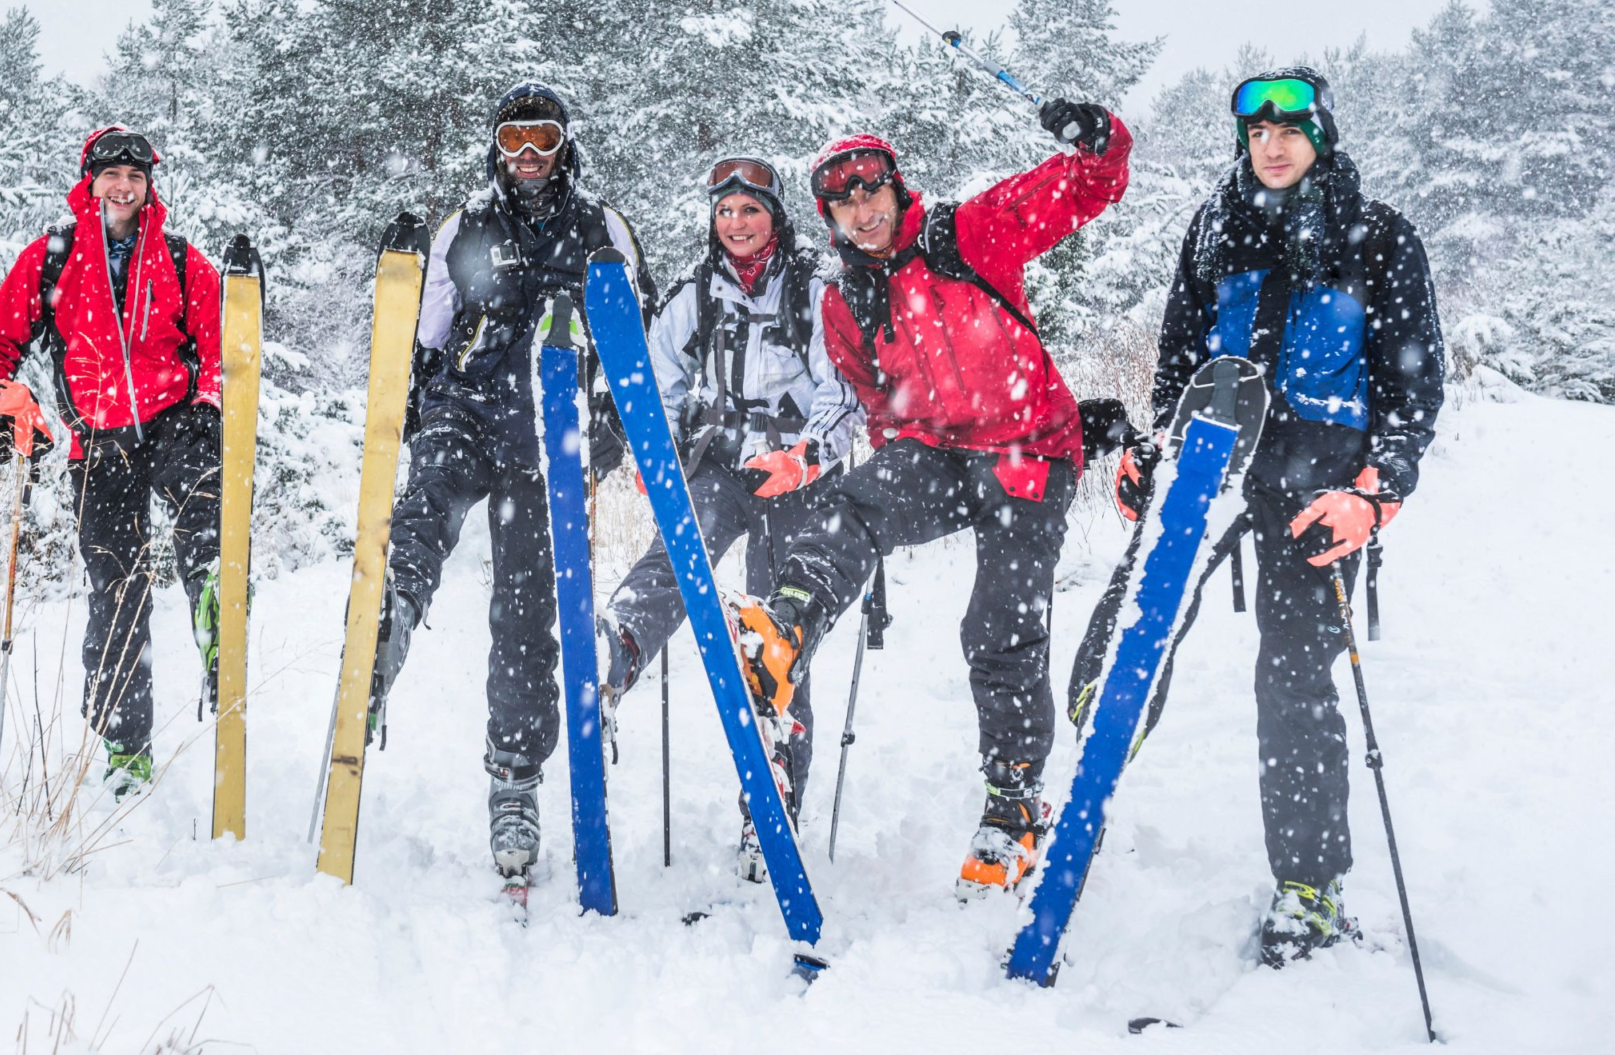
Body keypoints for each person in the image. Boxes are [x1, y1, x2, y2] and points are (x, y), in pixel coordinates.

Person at [1069, 67, 1444, 966]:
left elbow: (1411, 393)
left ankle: (1309, 884)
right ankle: (1078, 784)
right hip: (1211, 461)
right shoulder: (1215, 224)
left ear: (1321, 136)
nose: (1271, 146)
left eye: (1290, 130)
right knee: (1130, 630)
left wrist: (1375, 493)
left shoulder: (1380, 237)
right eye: (1257, 132)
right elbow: (1178, 360)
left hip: (1318, 482)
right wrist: (1151, 449)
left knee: (1295, 678)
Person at [730, 99, 1133, 897]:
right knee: (854, 503)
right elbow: (872, 401)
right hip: (937, 452)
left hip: (1028, 451)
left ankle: (1013, 807)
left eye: (871, 189)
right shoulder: (846, 300)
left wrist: (1098, 141)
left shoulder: (968, 233)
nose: (861, 210)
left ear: (895, 186)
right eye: (843, 202)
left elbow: (1086, 187)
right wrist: (871, 459)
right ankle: (783, 631)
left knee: (998, 621)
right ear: (829, 217)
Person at [374, 82, 653, 882]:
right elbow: (427, 342)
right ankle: (388, 622)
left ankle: (514, 776)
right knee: (427, 500)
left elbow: (638, 347)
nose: (527, 157)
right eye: (513, 140)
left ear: (566, 144)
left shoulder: (603, 228)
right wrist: (410, 413)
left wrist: (606, 435)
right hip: (468, 409)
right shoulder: (467, 227)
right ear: (495, 147)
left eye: (542, 139)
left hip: (549, 438)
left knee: (528, 610)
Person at [599, 156, 860, 880]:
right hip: (718, 465)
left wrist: (808, 456)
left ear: (775, 216)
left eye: (750, 209)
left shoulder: (814, 291)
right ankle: (613, 654)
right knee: (675, 560)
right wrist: (661, 460)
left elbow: (842, 392)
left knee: (777, 633)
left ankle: (772, 793)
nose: (737, 223)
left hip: (794, 475)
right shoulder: (694, 295)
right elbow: (658, 381)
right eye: (725, 211)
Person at [0, 126, 224, 795]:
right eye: (112, 174)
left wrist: (208, 400)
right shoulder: (54, 258)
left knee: (204, 507)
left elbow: (221, 351)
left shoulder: (180, 259)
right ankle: (125, 745)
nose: (125, 186)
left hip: (172, 424)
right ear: (91, 181)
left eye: (136, 175)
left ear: (148, 186)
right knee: (116, 590)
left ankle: (218, 612)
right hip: (98, 442)